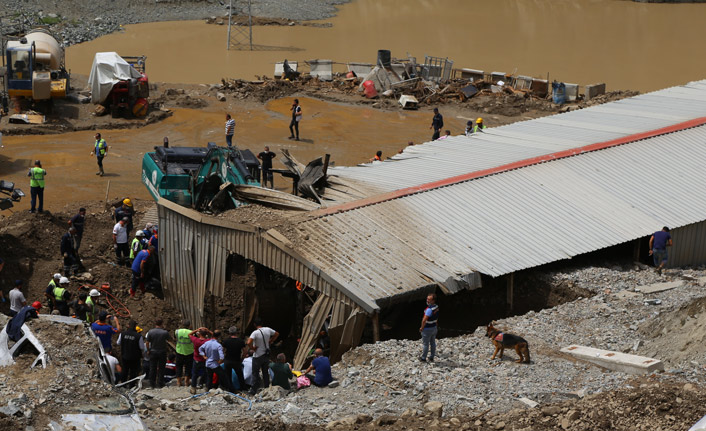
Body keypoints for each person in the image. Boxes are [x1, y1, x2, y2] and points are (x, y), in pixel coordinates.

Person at [246, 318, 279, 395]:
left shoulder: (255, 333)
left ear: (254, 324)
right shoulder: (268, 329)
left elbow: (248, 342)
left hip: (257, 355)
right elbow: (277, 334)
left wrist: (252, 348)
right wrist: (271, 341)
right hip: (266, 354)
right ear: (262, 323)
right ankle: (266, 387)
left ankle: (253, 390)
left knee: (255, 373)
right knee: (265, 372)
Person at [118, 319, 146, 387]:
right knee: (133, 372)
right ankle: (131, 385)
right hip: (135, 357)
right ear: (135, 326)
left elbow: (118, 342)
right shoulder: (138, 336)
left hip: (125, 355)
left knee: (125, 370)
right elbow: (142, 347)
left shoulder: (122, 334)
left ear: (128, 325)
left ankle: (123, 384)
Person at [145, 318, 171, 389]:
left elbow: (147, 342)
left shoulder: (150, 332)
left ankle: (152, 384)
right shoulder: (165, 332)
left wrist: (148, 350)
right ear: (162, 324)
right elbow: (169, 340)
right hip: (162, 352)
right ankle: (160, 383)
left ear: (155, 324)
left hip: (153, 351)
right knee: (161, 368)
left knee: (152, 368)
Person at [222, 326, 247, 391]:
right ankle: (243, 388)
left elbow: (222, 350)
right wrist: (242, 358)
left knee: (228, 376)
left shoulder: (226, 341)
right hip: (237, 360)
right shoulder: (241, 341)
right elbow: (245, 351)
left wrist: (223, 357)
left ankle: (230, 389)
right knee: (240, 375)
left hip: (227, 360)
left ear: (229, 333)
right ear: (236, 333)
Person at [189, 327, 212, 394]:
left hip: (197, 359)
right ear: (206, 334)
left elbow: (189, 334)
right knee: (207, 374)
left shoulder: (196, 340)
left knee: (195, 374)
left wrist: (196, 330)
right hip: (205, 360)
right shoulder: (208, 341)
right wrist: (208, 330)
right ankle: (207, 388)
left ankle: (193, 388)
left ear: (199, 334)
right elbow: (215, 336)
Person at [419, 292, 438, 362]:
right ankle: (432, 357)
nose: (427, 300)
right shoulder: (436, 307)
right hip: (434, 328)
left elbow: (424, 320)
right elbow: (436, 319)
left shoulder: (429, 310)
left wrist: (421, 328)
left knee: (425, 344)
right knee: (433, 342)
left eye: (429, 299)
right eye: (427, 299)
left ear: (433, 301)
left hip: (427, 329)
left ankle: (423, 358)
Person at [174, 319, 194, 387]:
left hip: (179, 351)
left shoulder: (177, 331)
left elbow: (175, 338)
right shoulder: (192, 332)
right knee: (188, 367)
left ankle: (179, 382)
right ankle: (186, 382)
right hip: (189, 352)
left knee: (179, 366)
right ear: (189, 325)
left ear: (182, 325)